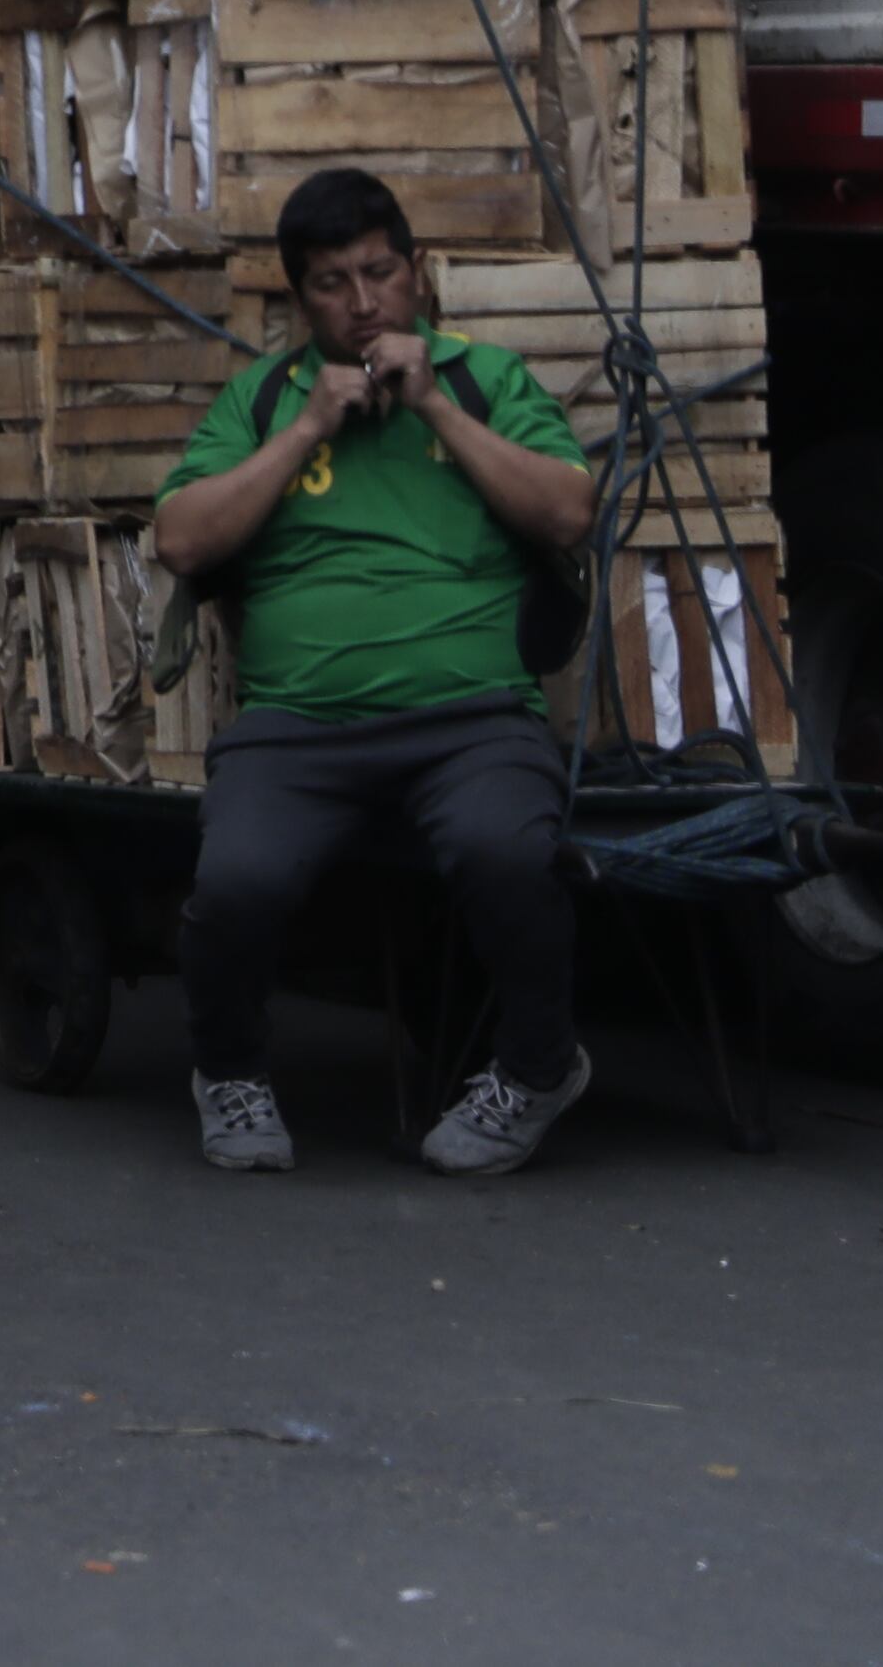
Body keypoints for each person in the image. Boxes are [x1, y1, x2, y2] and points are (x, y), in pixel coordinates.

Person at [152, 166, 603, 1178]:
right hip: (297, 724)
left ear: (416, 273)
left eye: (377, 273)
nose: (360, 304)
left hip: (470, 718)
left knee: (506, 851)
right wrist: (308, 427)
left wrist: (436, 409)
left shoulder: (482, 379)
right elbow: (180, 541)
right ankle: (226, 1070)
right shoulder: (264, 397)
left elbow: (568, 515)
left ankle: (536, 1069)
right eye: (328, 283)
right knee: (234, 878)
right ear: (296, 298)